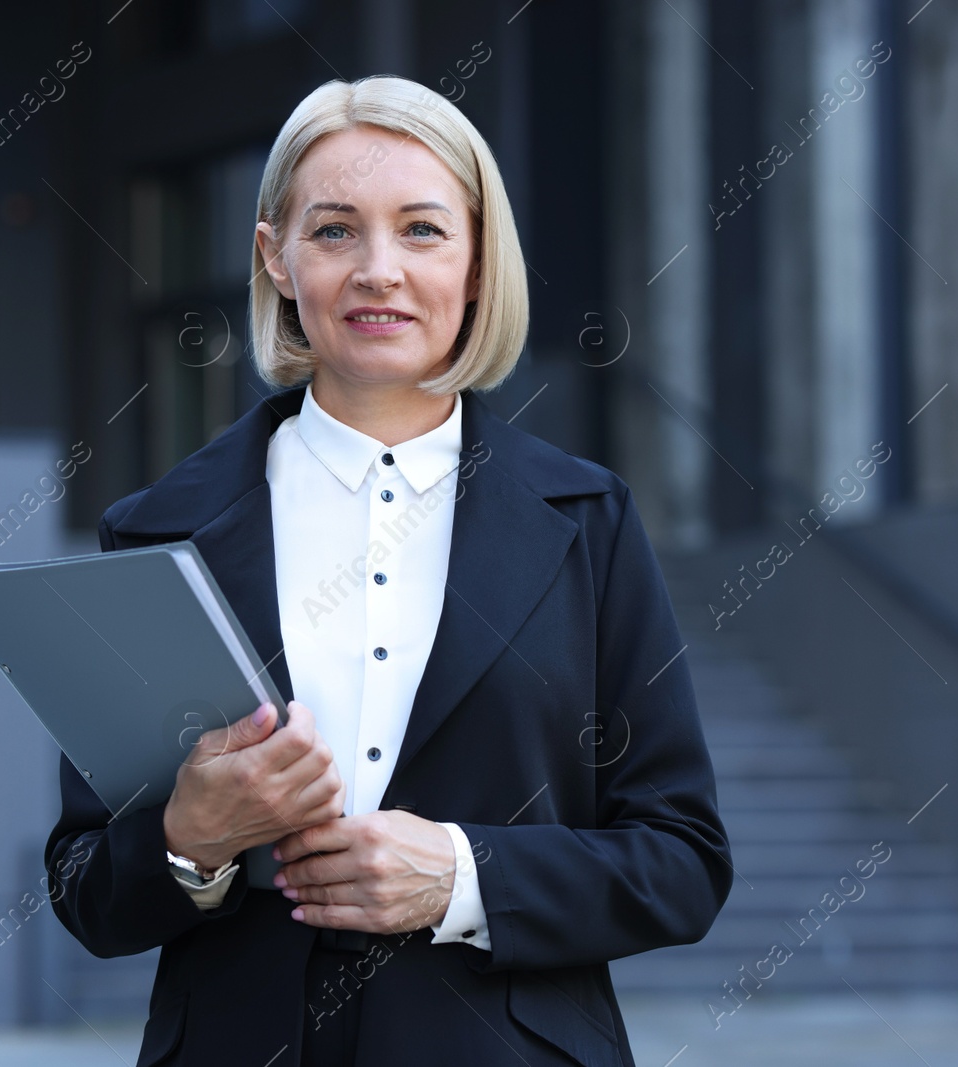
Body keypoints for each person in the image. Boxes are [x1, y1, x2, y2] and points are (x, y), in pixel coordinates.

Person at [46, 74, 731, 1067]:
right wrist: (189, 838)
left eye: (420, 229)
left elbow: (682, 862)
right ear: (274, 257)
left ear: (477, 261)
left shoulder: (588, 521)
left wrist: (462, 874)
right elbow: (83, 887)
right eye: (333, 231)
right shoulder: (158, 532)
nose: (378, 269)